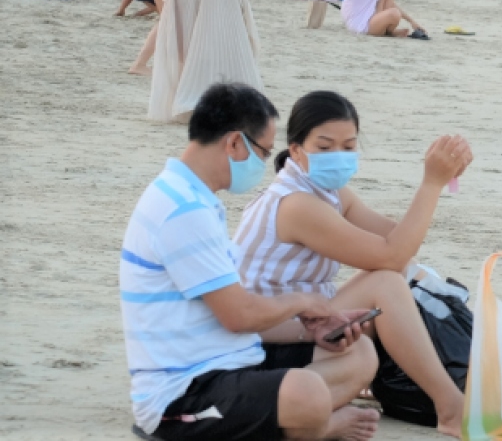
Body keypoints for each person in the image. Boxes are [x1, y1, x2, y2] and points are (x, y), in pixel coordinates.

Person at [120, 83, 380, 441]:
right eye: (263, 152)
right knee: (308, 394)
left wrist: (311, 330)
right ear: (234, 143)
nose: (264, 164)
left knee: (359, 353)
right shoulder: (184, 210)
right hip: (186, 390)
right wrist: (304, 302)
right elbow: (238, 315)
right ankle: (317, 427)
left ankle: (300, 422)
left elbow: (229, 318)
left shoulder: (196, 198)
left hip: (233, 358)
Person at [234, 90, 472, 438]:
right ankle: (449, 405)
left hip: (301, 320)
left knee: (395, 277)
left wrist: (438, 183)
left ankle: (383, 384)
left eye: (349, 147)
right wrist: (432, 184)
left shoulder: (327, 193)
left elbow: (397, 240)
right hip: (269, 335)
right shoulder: (296, 204)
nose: (339, 156)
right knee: (384, 284)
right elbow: (391, 254)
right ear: (297, 150)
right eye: (325, 147)